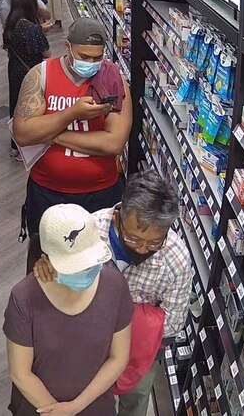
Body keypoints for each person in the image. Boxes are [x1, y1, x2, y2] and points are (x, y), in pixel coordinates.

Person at [32, 171, 194, 416]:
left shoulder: (176, 258)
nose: (142, 248)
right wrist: (48, 268)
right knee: (84, 395)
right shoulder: (89, 230)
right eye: (134, 238)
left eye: (153, 243)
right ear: (118, 215)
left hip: (137, 348)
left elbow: (173, 322)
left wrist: (123, 323)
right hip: (84, 339)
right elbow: (60, 273)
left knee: (135, 399)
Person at [4, 203, 133, 416]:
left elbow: (118, 357)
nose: (84, 271)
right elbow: (20, 373)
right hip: (39, 408)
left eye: (89, 263)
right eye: (74, 267)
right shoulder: (23, 298)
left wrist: (75, 407)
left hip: (96, 406)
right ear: (46, 259)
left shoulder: (114, 285)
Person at [12, 17, 132, 239]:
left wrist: (53, 134)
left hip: (101, 195)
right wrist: (71, 114)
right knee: (46, 261)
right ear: (68, 47)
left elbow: (114, 143)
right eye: (84, 57)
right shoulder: (41, 75)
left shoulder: (114, 80)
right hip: (47, 194)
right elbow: (22, 133)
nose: (91, 63)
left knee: (98, 262)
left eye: (97, 57)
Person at [4, 0, 51, 161]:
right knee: (32, 105)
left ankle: (15, 147)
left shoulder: (10, 24)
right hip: (32, 71)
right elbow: (47, 53)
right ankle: (30, 146)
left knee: (16, 105)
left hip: (15, 69)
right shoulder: (32, 28)